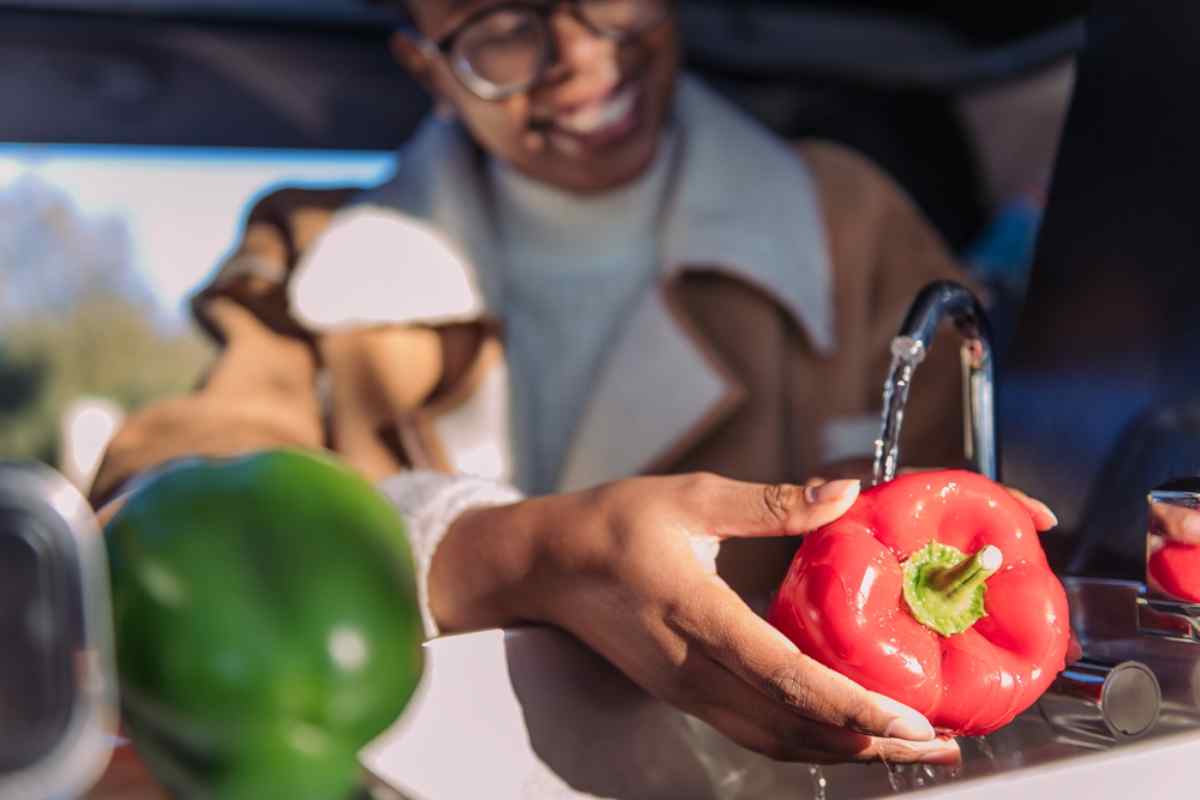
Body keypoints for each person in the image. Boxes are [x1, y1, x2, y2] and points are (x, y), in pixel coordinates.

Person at [91, 0, 1064, 768]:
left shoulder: (847, 223)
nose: (578, 51)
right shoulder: (313, 259)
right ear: (426, 65)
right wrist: (511, 552)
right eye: (500, 26)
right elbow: (163, 502)